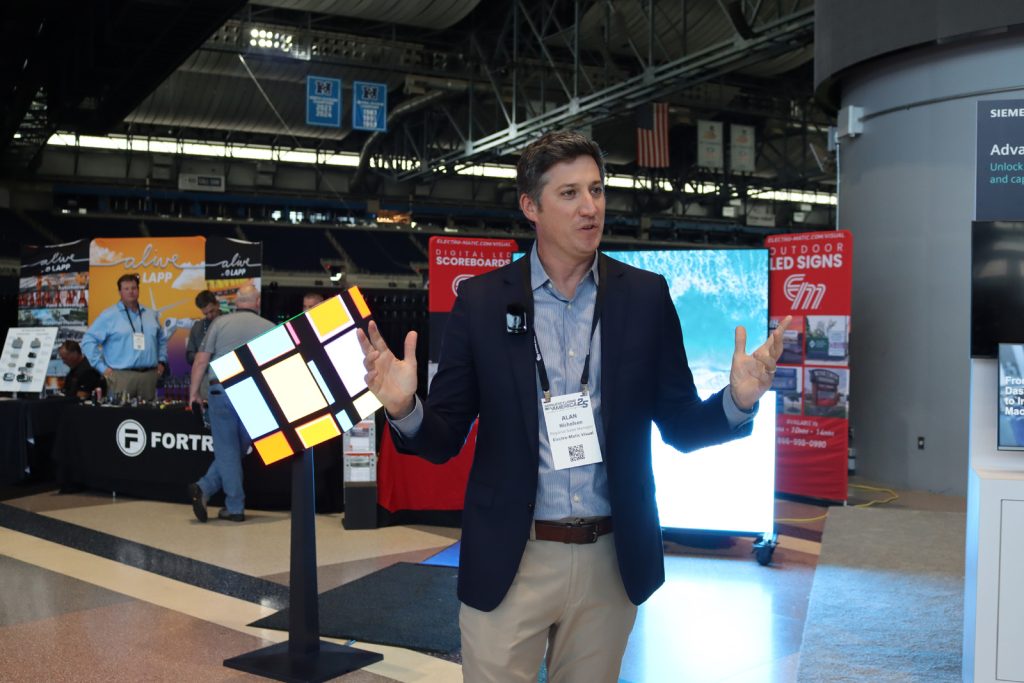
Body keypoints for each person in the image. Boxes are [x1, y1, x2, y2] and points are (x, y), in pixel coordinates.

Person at [358, 130, 791, 682]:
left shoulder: (645, 296)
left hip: (610, 560)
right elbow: (444, 438)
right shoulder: (482, 301)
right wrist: (404, 408)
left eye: (597, 189)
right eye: (569, 194)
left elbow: (681, 425)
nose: (591, 207)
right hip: (512, 558)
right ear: (530, 207)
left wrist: (737, 402)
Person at [187, 284, 274, 523]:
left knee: (228, 449)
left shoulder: (219, 324)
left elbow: (200, 361)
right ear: (257, 302)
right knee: (236, 450)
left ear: (236, 302)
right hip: (253, 395)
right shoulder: (270, 327)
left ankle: (217, 496)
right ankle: (216, 496)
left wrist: (194, 393)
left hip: (221, 391)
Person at [81, 273, 167, 401]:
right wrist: (102, 368)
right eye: (126, 289)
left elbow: (162, 340)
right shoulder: (109, 315)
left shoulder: (151, 314)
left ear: (138, 290)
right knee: (120, 413)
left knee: (149, 413)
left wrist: (162, 361)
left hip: (149, 377)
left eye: (133, 288)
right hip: (120, 377)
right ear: (120, 292)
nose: (130, 292)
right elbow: (88, 340)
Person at [186, 290, 222, 400]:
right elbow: (189, 355)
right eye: (206, 313)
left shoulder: (230, 323)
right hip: (205, 378)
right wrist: (200, 356)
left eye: (212, 311)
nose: (210, 316)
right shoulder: (197, 328)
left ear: (217, 304)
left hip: (228, 375)